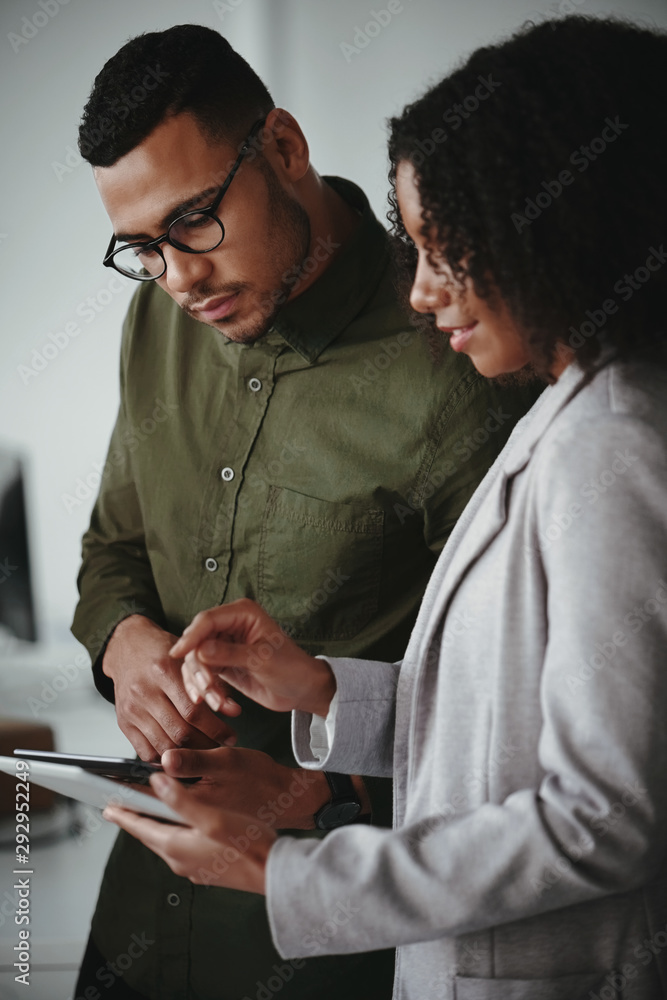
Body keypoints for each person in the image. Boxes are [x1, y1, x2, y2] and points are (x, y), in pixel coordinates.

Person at [105, 15, 667, 1000]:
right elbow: (499, 717)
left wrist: (290, 867)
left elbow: (601, 817)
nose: (420, 291)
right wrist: (324, 688)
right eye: (415, 248)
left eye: (446, 250)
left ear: (557, 228)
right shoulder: (573, 420)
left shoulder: (608, 447)